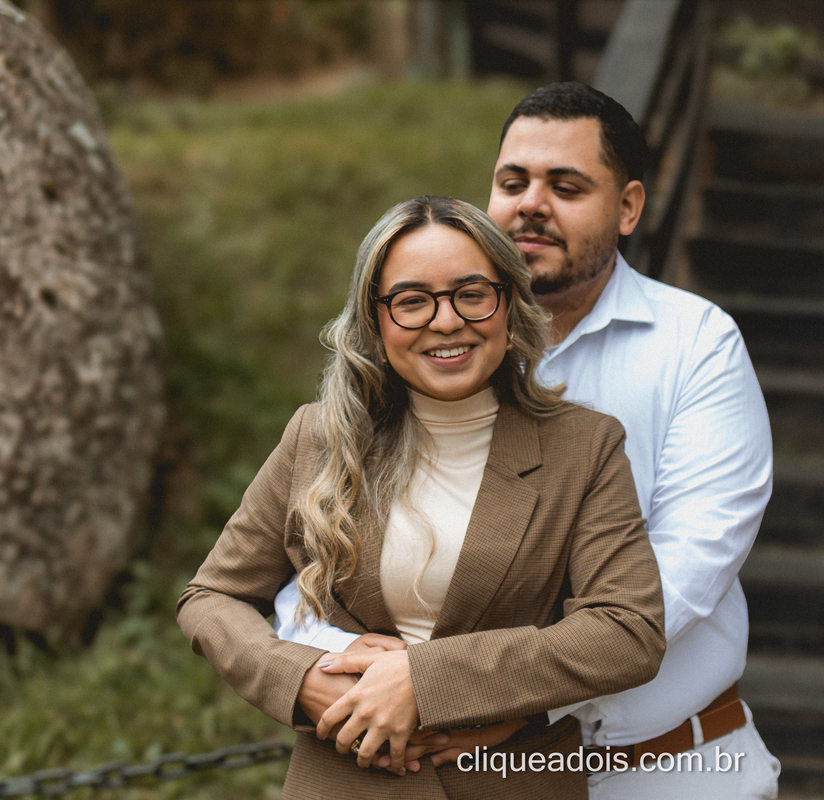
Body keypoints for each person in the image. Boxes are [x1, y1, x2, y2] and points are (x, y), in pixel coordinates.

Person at [277, 82, 779, 798]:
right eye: (512, 182)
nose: (530, 204)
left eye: (566, 186)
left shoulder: (697, 345)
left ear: (629, 207)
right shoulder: (444, 349)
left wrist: (482, 692)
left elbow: (685, 570)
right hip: (470, 776)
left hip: (667, 771)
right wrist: (351, 673)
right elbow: (321, 558)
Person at [178, 195, 666, 800]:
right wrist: (303, 679)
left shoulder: (584, 447)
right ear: (375, 323)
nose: (446, 321)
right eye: (412, 301)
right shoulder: (319, 437)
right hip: (344, 782)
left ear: (508, 303)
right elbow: (212, 597)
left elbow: (627, 631)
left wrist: (425, 680)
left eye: (471, 293)